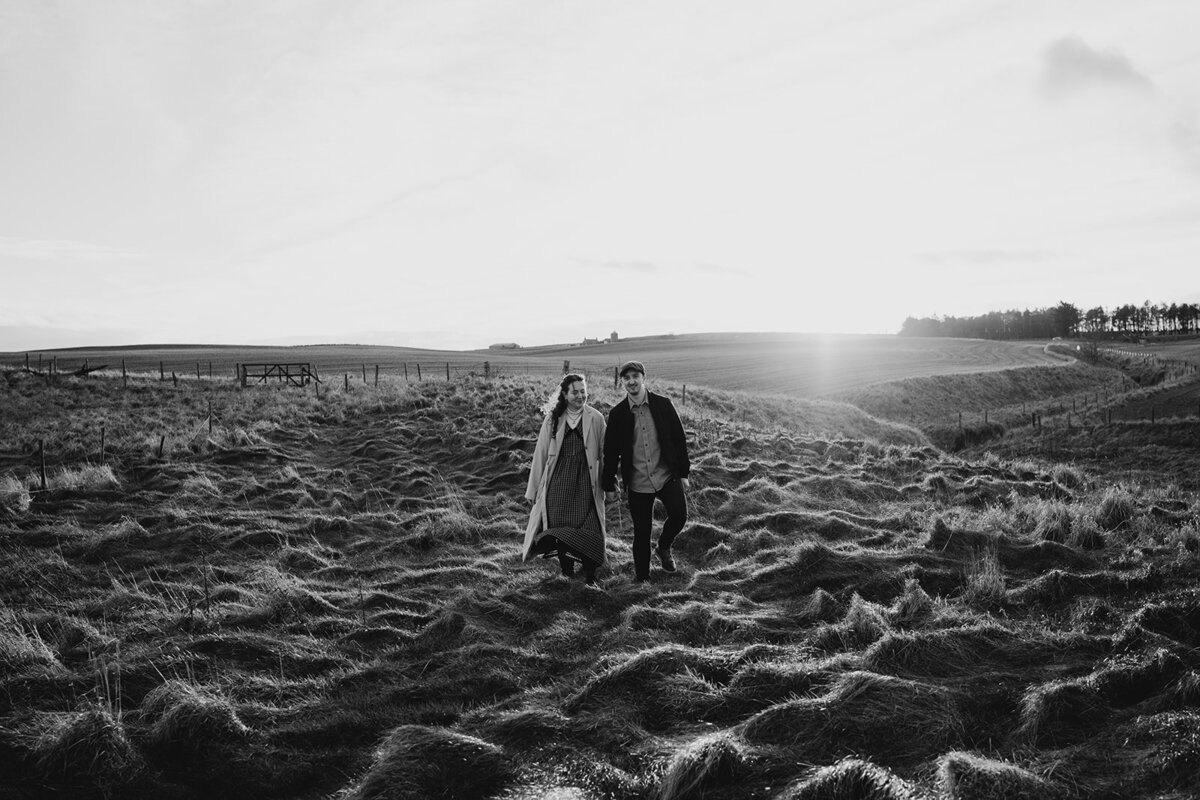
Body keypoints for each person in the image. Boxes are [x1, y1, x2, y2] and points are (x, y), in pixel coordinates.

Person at [602, 361, 690, 582]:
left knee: (680, 515)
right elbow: (610, 453)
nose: (631, 381)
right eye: (626, 378)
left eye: (635, 376)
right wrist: (608, 484)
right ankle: (642, 579)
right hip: (638, 481)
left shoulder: (663, 405)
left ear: (643, 378)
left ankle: (663, 547)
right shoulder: (618, 414)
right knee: (642, 533)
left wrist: (683, 473)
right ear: (622, 382)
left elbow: (679, 440)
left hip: (666, 475)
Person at [522, 373, 607, 586]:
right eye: (575, 392)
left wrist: (609, 484)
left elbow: (605, 455)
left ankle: (590, 574)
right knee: (561, 529)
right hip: (558, 485)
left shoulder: (596, 418)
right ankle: (567, 571)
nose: (580, 396)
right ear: (565, 394)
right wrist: (532, 492)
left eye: (583, 391)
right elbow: (540, 455)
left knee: (591, 528)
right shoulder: (552, 420)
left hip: (587, 484)